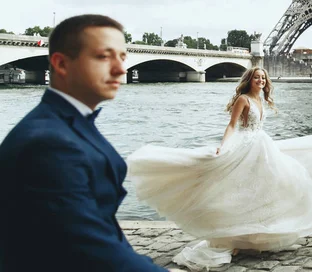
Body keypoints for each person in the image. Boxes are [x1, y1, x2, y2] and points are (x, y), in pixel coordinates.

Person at [0, 15, 182, 271]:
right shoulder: (47, 144)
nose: (121, 69)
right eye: (104, 57)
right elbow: (90, 249)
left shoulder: (61, 124)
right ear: (61, 64)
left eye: (122, 57)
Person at [127, 67, 312, 270]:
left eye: (263, 78)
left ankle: (255, 235)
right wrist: (224, 146)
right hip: (247, 146)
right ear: (250, 80)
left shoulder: (260, 99)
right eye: (257, 77)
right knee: (240, 190)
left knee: (265, 189)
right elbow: (232, 125)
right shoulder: (243, 99)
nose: (261, 80)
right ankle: (235, 236)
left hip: (262, 146)